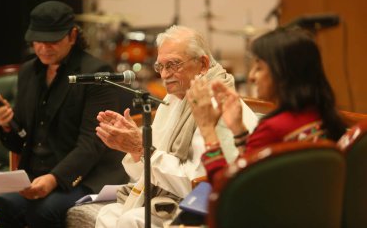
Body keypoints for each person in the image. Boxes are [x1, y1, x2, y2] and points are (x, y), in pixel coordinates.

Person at [72, 25, 254, 228]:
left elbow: (195, 184)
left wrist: (141, 149)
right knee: (107, 214)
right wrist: (133, 149)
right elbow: (146, 172)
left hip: (201, 204)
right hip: (168, 194)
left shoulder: (214, 105)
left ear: (203, 64)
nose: (165, 75)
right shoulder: (174, 99)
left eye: (174, 65)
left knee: (130, 220)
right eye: (160, 67)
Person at [0, 1, 130, 228]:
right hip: (36, 175)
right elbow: (21, 140)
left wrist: (54, 179)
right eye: (37, 41)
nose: (43, 48)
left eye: (51, 41)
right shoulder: (28, 72)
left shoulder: (96, 73)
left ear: (72, 36)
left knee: (43, 212)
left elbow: (91, 144)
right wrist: (7, 125)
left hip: (85, 176)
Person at [187, 27, 347, 183]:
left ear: (284, 74)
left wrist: (207, 129)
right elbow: (252, 165)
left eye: (259, 68)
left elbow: (224, 187)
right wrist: (239, 130)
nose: (251, 77)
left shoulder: (274, 128)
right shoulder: (322, 114)